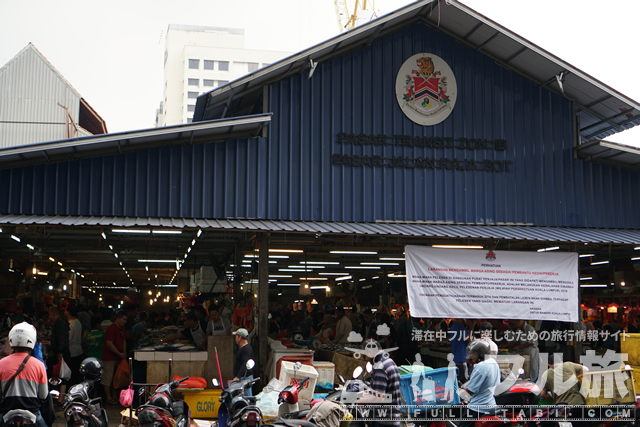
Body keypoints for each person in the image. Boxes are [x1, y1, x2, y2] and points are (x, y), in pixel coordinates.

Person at [0, 323, 50, 427]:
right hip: (33, 414)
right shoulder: (39, 365)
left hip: (6, 414)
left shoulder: (1, 363)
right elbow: (43, 395)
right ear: (32, 339)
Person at [357, 339, 401, 427]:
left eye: (364, 354)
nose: (365, 358)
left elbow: (378, 397)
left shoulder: (380, 367)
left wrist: (358, 401)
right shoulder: (389, 361)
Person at [458, 340, 501, 427]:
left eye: (473, 353)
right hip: (491, 405)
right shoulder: (493, 363)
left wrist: (458, 394)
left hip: (478, 407)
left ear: (480, 354)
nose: (471, 356)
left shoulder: (481, 366)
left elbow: (471, 390)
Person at [540, 355, 589, 427]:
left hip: (562, 409)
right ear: (561, 362)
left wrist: (555, 398)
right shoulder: (568, 365)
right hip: (578, 405)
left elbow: (543, 394)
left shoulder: (545, 374)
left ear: (549, 365)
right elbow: (586, 369)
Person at [101, 310, 127, 405]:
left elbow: (123, 340)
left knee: (116, 378)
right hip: (109, 357)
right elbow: (109, 344)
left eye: (125, 320)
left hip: (118, 357)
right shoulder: (111, 329)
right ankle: (108, 397)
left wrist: (123, 352)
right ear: (118, 318)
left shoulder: (122, 328)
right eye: (123, 319)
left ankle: (114, 395)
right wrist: (118, 353)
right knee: (108, 378)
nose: (124, 321)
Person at [47, 306, 70, 405]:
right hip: (61, 351)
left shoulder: (60, 323)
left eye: (49, 314)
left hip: (61, 352)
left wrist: (60, 353)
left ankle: (61, 398)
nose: (49, 317)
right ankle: (60, 397)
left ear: (54, 314)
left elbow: (60, 339)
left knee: (62, 375)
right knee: (60, 375)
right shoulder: (62, 322)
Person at [65, 305, 84, 387]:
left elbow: (68, 339)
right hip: (79, 350)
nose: (64, 312)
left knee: (71, 374)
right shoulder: (78, 322)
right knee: (76, 373)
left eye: (65, 310)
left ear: (68, 312)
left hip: (71, 352)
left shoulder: (70, 324)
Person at [232, 328, 254, 396]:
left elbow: (245, 363)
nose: (235, 338)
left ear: (240, 337)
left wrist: (238, 377)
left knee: (247, 399)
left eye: (236, 337)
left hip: (245, 379)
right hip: (243, 378)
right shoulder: (243, 348)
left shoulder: (246, 349)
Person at [448, 318, 469, 383]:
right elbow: (471, 341)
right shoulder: (460, 327)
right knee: (465, 382)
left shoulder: (453, 327)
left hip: (455, 359)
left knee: (457, 382)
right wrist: (471, 327)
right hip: (462, 359)